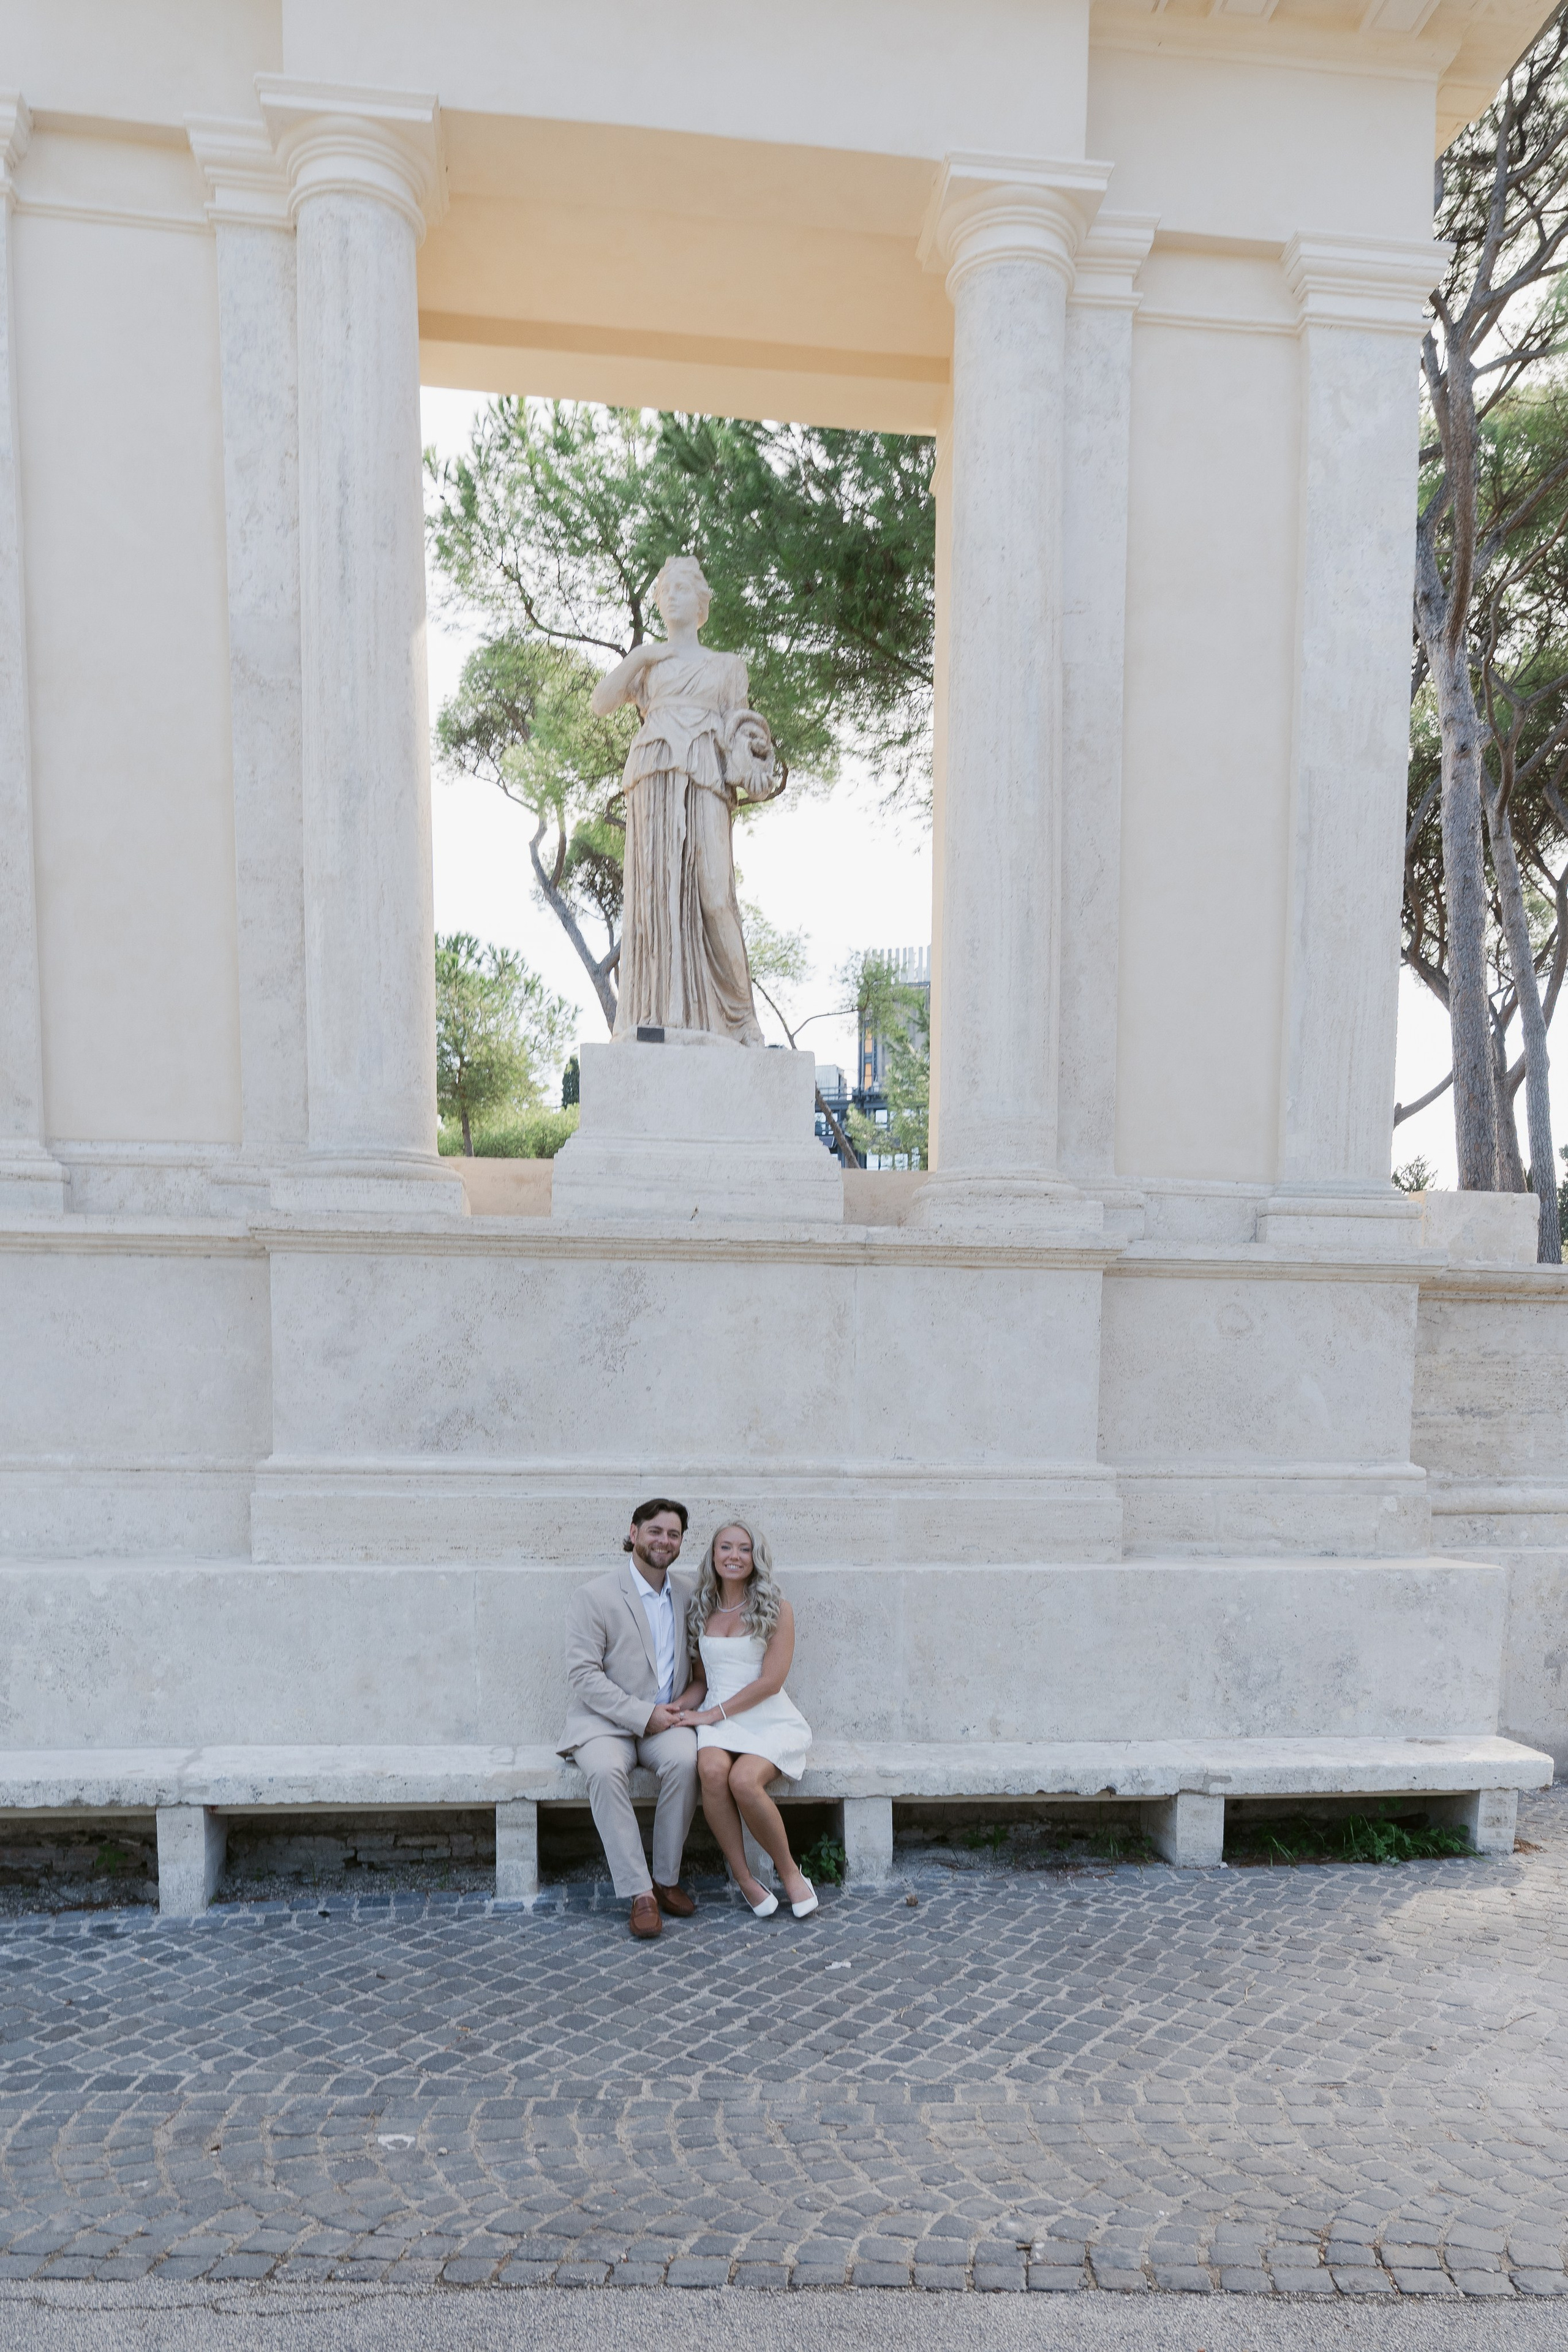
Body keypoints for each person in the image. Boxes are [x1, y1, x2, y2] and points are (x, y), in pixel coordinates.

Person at [589, 554, 780, 1043]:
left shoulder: (727, 666)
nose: (672, 595)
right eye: (665, 589)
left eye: (682, 588)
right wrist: (641, 657)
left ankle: (742, 1018)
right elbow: (600, 703)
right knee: (656, 898)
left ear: (702, 603)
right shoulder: (649, 667)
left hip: (707, 773)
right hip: (653, 774)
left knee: (716, 895)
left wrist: (755, 763)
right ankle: (655, 1015)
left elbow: (743, 731)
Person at [558, 1497, 709, 1940]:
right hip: (606, 1722)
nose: (665, 1541)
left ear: (682, 1542)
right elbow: (583, 1676)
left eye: (674, 1534)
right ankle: (641, 1894)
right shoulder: (594, 1596)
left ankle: (666, 1879)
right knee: (605, 1772)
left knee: (686, 1761)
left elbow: (700, 1670)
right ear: (633, 1533)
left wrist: (679, 1711)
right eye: (655, 1531)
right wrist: (645, 1716)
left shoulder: (688, 1595)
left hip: (669, 1719)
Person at [673, 1518, 817, 1919]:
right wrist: (681, 1710)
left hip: (766, 1717)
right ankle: (745, 1878)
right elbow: (703, 1680)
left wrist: (709, 1714)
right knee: (715, 1773)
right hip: (716, 1720)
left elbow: (771, 1682)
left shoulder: (777, 1609)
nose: (734, 1556)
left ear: (756, 1558)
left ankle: (790, 1874)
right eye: (726, 1547)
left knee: (744, 1780)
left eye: (744, 1548)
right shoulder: (701, 1610)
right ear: (713, 1555)